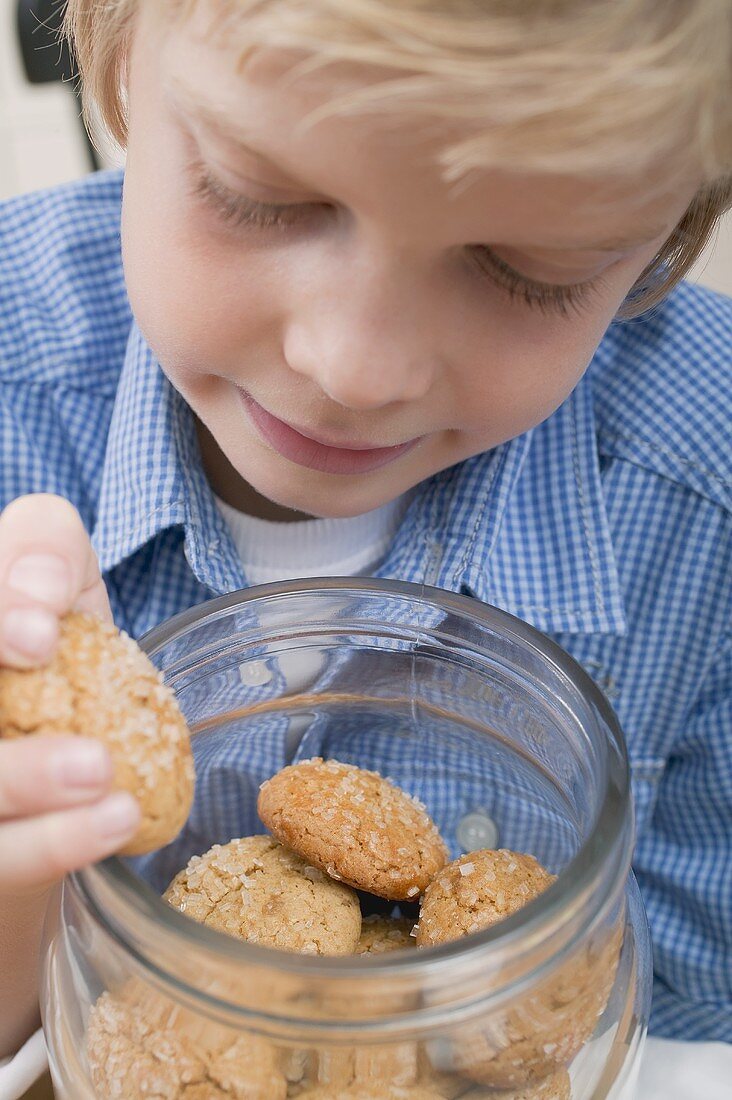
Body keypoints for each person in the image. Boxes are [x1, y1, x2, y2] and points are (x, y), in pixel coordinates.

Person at [0, 0, 730, 1095]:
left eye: (530, 266)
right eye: (262, 192)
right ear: (116, 57)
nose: (355, 366)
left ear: (667, 232)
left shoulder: (702, 498)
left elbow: (682, 1030)